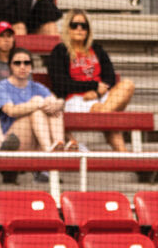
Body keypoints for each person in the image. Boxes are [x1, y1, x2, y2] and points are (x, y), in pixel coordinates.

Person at [47, 8, 135, 153]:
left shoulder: (97, 49)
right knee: (108, 116)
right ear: (68, 28)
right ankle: (125, 156)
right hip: (75, 98)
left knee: (128, 85)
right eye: (75, 25)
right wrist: (93, 86)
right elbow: (60, 83)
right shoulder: (60, 51)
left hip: (100, 97)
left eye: (84, 25)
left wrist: (98, 93)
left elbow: (110, 76)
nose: (79, 29)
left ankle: (122, 154)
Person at [0, 46, 69, 154]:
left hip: (36, 137)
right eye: (17, 63)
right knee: (37, 109)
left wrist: (59, 104)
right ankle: (48, 150)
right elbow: (11, 111)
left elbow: (55, 100)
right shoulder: (1, 87)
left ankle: (59, 144)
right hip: (11, 141)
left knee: (53, 105)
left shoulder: (37, 87)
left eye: (26, 63)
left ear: (31, 66)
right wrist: (36, 104)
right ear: (10, 66)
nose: (22, 66)